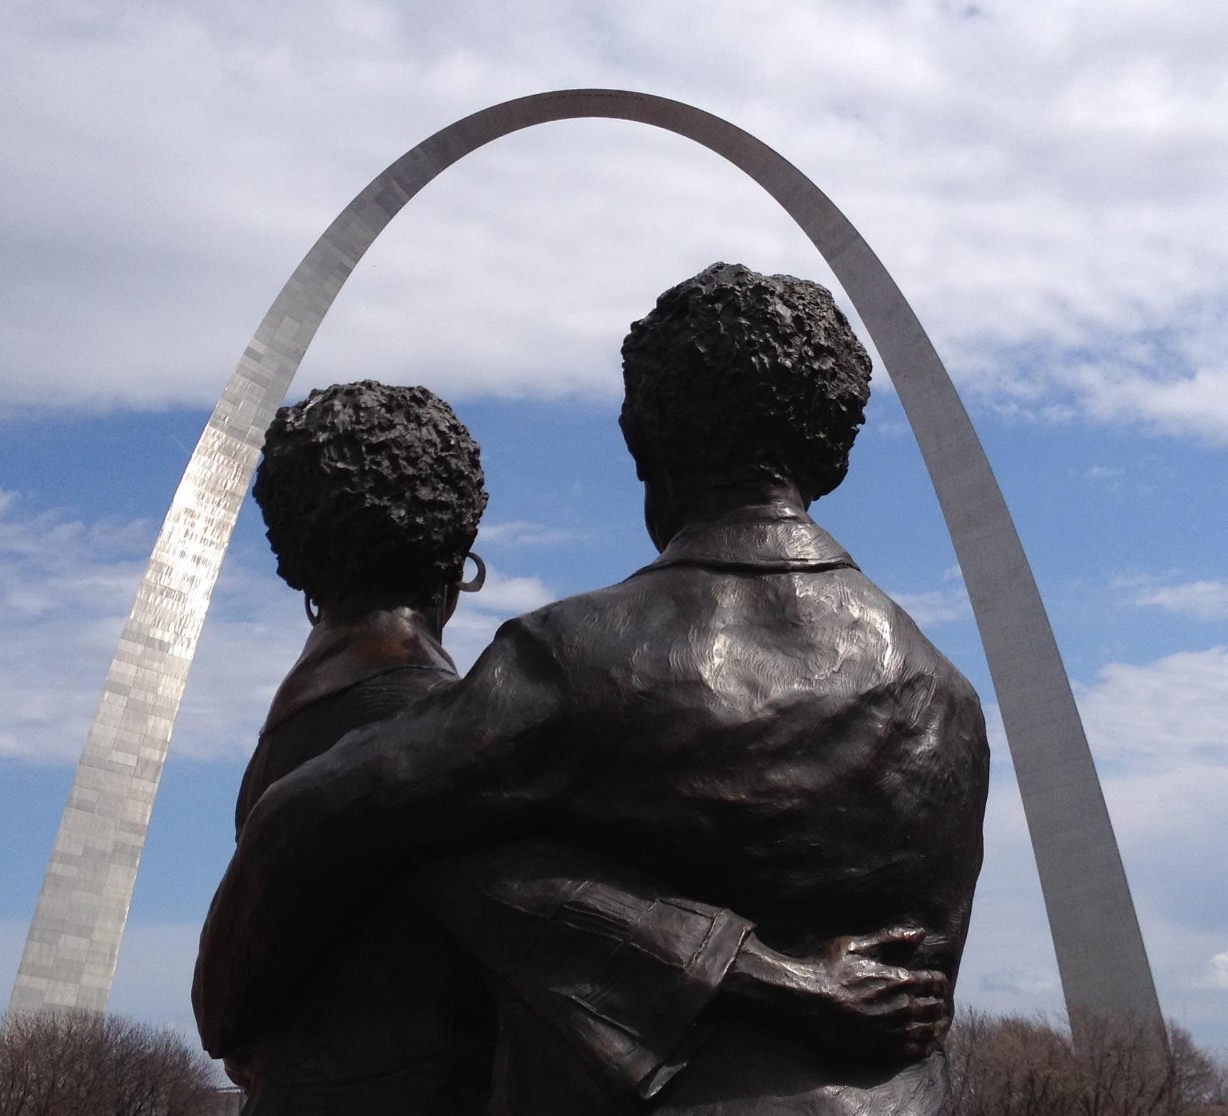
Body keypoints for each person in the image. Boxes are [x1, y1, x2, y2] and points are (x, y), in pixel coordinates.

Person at [199, 265, 988, 1112]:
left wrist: (231, 1016)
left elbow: (306, 820)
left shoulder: (577, 660)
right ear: (833, 449)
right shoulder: (945, 699)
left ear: (643, 441)